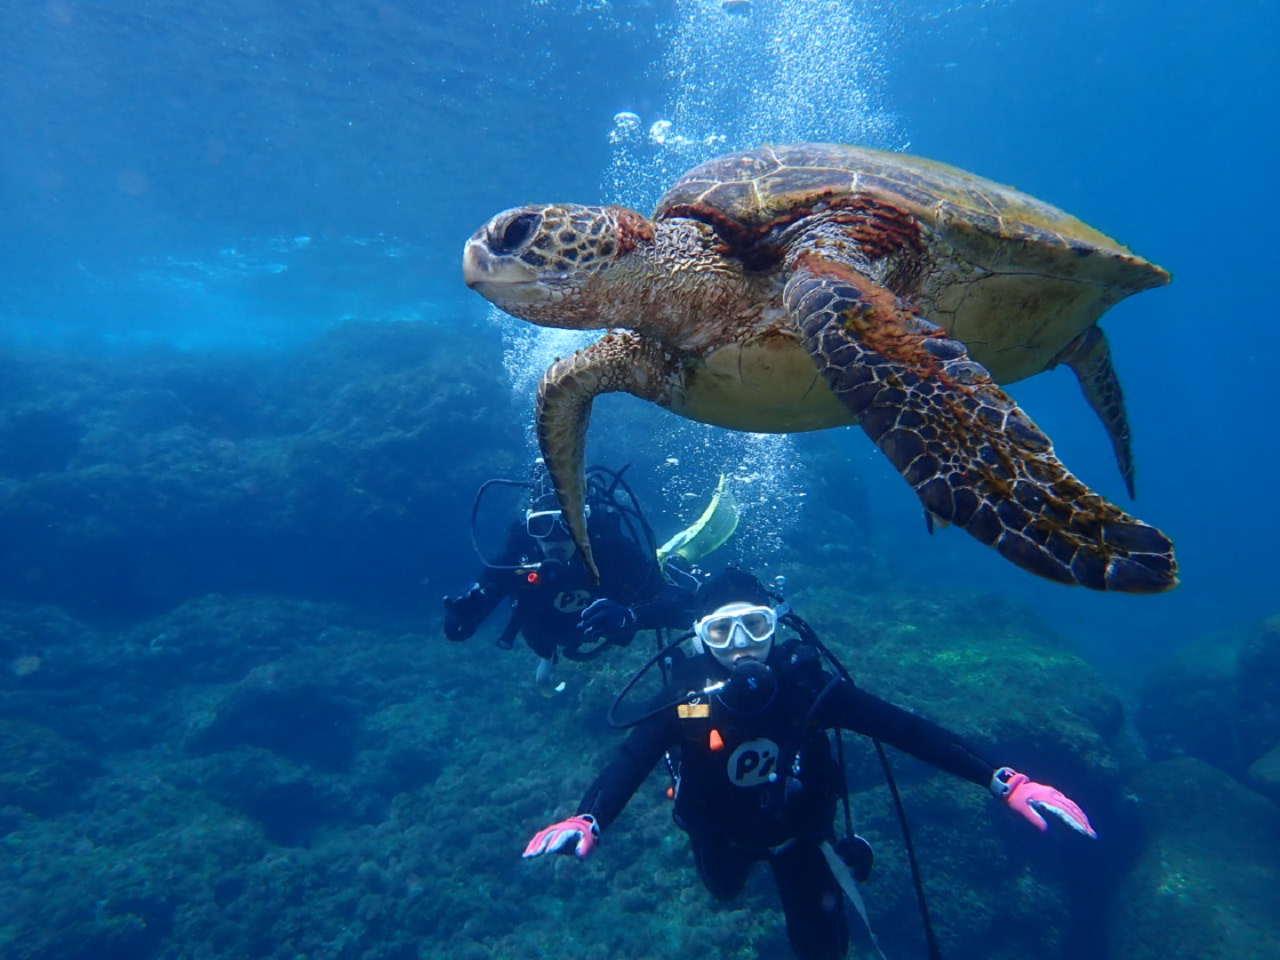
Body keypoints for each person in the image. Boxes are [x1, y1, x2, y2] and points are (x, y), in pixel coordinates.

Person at [522, 568, 1096, 960]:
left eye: (755, 625)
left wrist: (1003, 780)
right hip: (718, 832)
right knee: (724, 891)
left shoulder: (808, 688)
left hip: (801, 834)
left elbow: (905, 729)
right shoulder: (688, 699)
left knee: (822, 949)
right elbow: (634, 754)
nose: (741, 643)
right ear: (700, 639)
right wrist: (589, 817)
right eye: (721, 630)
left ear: (775, 626)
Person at [443, 465, 697, 695]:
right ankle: (549, 657)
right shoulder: (518, 557)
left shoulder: (610, 548)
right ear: (529, 527)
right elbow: (458, 631)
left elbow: (678, 606)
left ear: (585, 522)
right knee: (545, 652)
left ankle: (676, 561)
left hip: (600, 632)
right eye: (542, 526)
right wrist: (463, 617)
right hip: (547, 638)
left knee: (676, 580)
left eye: (568, 524)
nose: (556, 539)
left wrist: (632, 618)